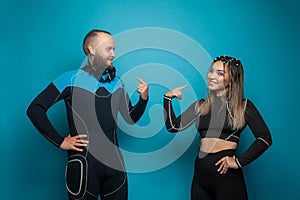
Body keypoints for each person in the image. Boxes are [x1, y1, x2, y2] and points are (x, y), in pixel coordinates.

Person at [27, 29, 148, 200]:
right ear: (92, 49)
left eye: (114, 49)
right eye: (108, 49)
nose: (113, 54)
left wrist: (143, 99)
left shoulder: (117, 83)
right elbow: (35, 109)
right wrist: (60, 141)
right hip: (84, 166)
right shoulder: (69, 79)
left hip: (116, 167)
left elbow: (130, 118)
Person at [163, 55, 272, 200]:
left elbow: (264, 138)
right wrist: (167, 99)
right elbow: (173, 126)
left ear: (232, 78)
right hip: (200, 178)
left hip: (226, 179)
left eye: (220, 73)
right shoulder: (201, 105)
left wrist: (239, 162)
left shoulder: (243, 106)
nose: (212, 76)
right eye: (211, 71)